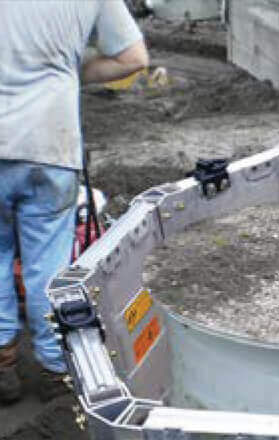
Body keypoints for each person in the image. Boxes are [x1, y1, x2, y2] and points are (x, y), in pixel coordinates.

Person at [0, 1, 149, 404]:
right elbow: (133, 58)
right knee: (47, 262)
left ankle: (3, 362)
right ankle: (54, 367)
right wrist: (65, 72)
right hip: (49, 142)